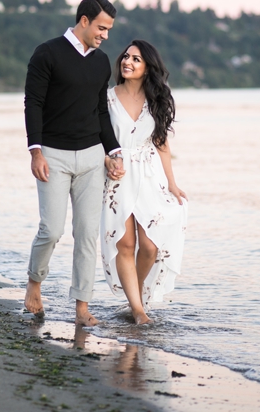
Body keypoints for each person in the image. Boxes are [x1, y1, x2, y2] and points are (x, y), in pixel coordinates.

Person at [23, 0, 124, 326]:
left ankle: (82, 307)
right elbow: (33, 103)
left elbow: (100, 111)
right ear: (84, 20)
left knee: (87, 235)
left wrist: (113, 152)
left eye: (108, 29)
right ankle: (34, 284)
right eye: (101, 27)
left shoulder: (100, 61)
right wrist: (35, 150)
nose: (105, 35)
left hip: (92, 157)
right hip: (53, 155)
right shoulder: (47, 53)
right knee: (51, 230)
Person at [100, 40, 187, 324]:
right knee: (125, 244)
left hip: (150, 176)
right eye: (126, 56)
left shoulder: (156, 100)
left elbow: (161, 142)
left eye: (136, 59)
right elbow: (95, 135)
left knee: (150, 246)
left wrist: (172, 184)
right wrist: (107, 161)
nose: (128, 62)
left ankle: (134, 297)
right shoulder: (108, 97)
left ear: (148, 66)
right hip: (118, 174)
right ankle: (138, 310)